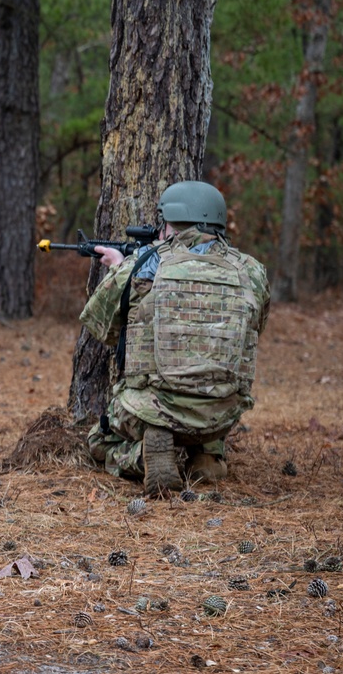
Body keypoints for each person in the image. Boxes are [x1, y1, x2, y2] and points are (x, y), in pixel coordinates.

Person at [79, 180, 270, 498]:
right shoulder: (252, 271)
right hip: (221, 415)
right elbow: (252, 330)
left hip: (153, 411)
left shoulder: (144, 264)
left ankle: (142, 456)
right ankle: (206, 457)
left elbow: (104, 329)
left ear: (169, 222)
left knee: (98, 441)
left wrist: (119, 269)